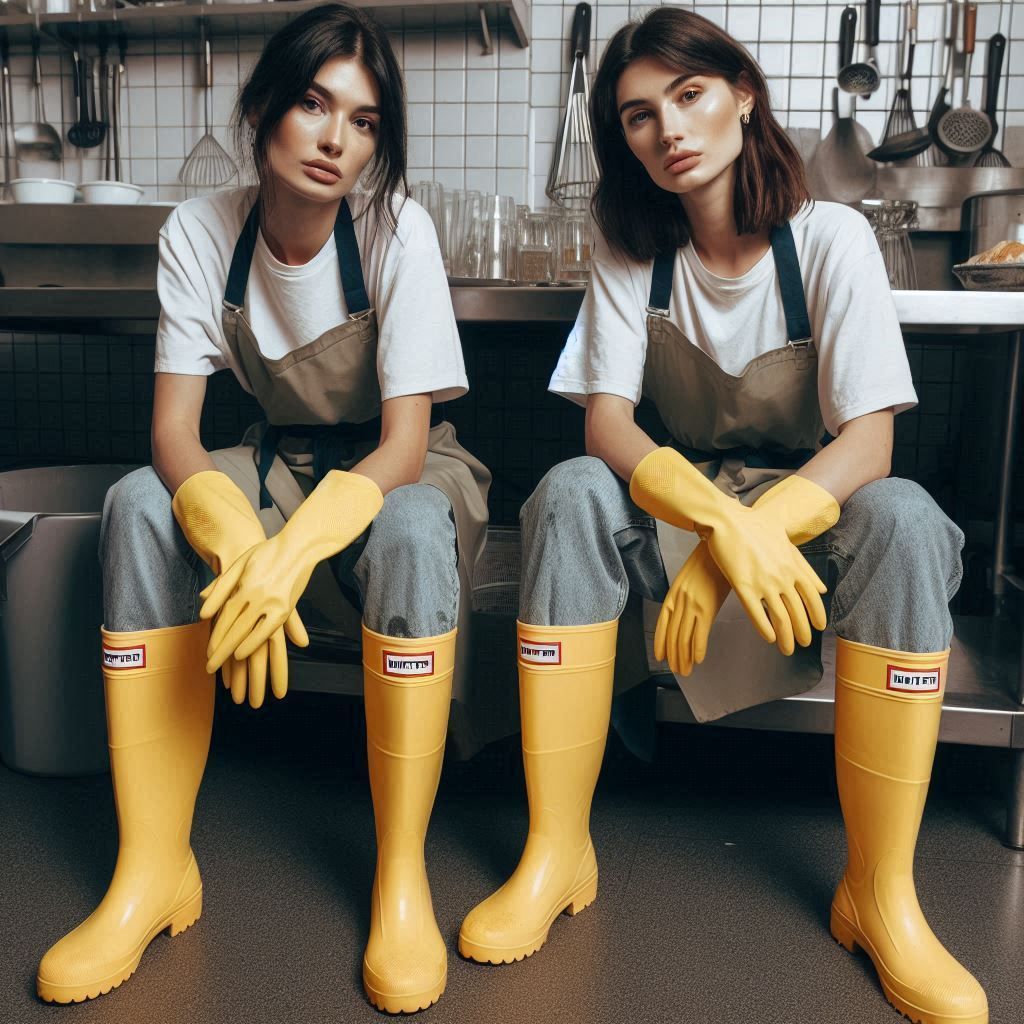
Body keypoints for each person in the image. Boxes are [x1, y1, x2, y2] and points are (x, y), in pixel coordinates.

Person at [458, 9, 986, 1024]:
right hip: (679, 510)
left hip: (807, 524)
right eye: (638, 116)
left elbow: (867, 444)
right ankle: (556, 850)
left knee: (908, 518)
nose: (668, 131)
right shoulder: (630, 251)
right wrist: (712, 526)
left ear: (742, 93)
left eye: (688, 95)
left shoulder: (827, 239)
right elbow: (605, 429)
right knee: (566, 495)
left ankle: (880, 893)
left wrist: (743, 538)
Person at [36, 5, 489, 1015]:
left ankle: (400, 877)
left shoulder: (393, 228)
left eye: (365, 122)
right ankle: (153, 869)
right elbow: (174, 436)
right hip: (270, 462)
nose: (337, 139)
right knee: (137, 506)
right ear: (263, 108)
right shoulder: (200, 230)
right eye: (314, 104)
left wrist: (293, 557)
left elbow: (406, 444)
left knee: (412, 527)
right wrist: (243, 537)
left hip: (398, 469)